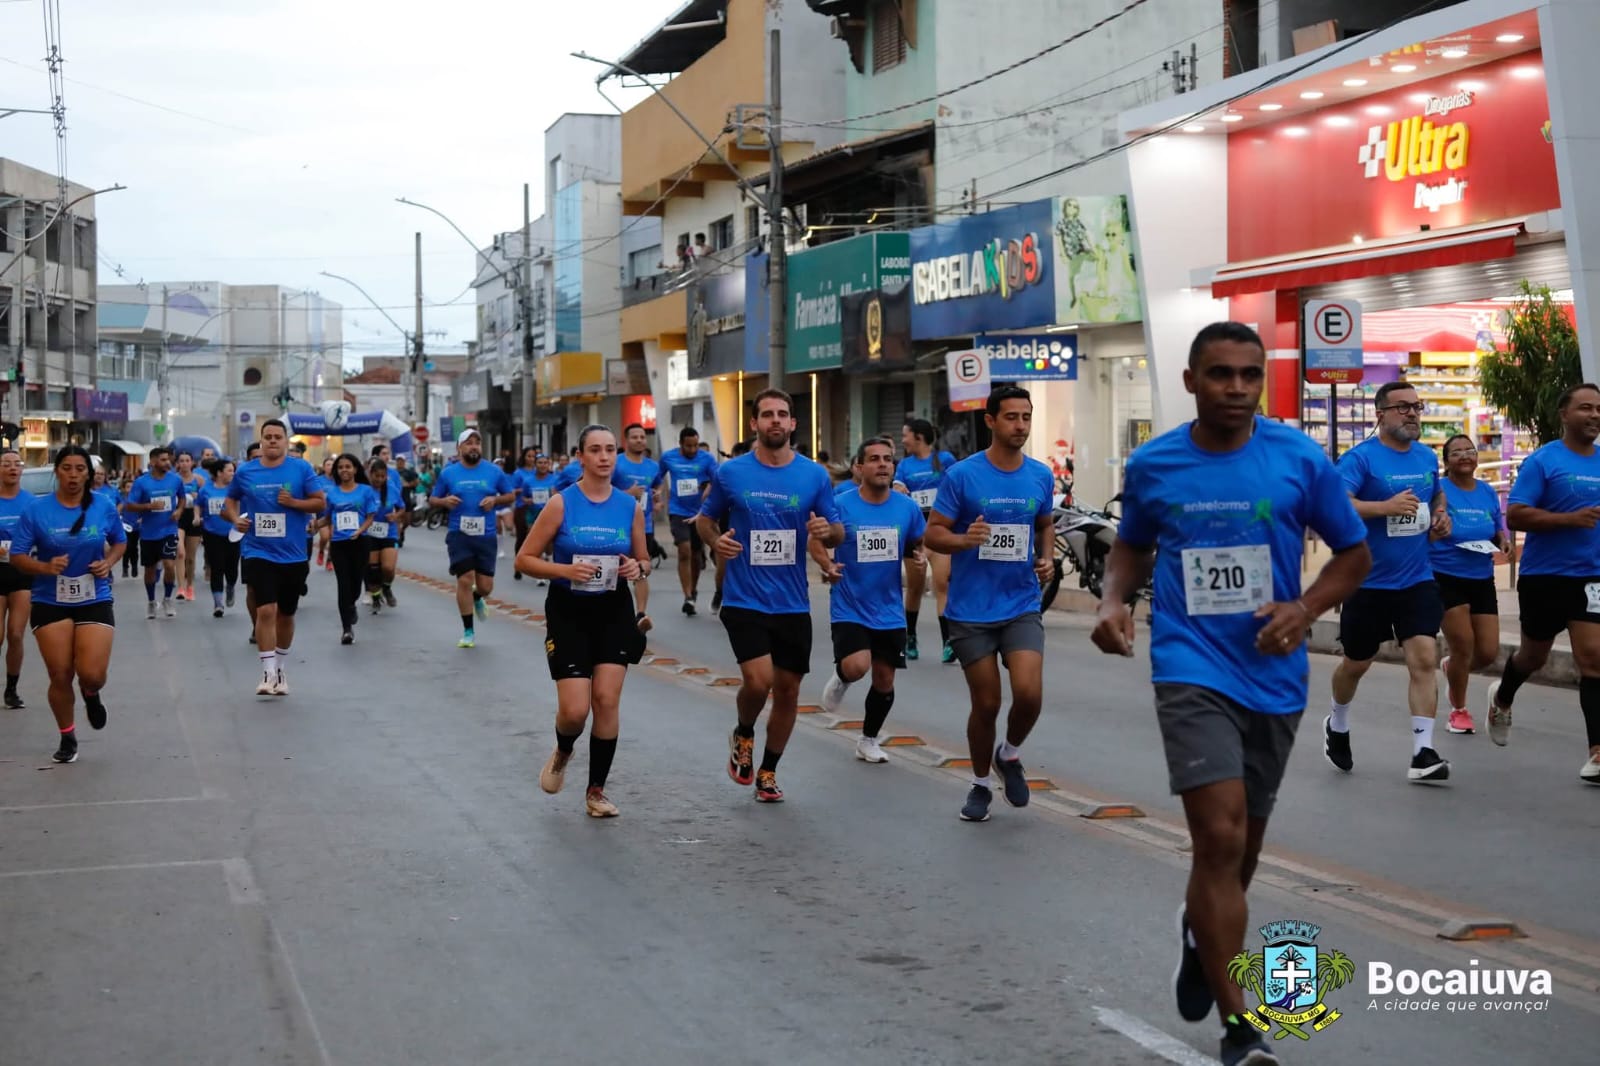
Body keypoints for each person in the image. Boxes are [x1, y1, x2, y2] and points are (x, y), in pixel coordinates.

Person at [1091, 322, 1370, 1066]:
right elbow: (1132, 544)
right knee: (1218, 838)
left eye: (1250, 374)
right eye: (1220, 374)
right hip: (1190, 665)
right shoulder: (1155, 463)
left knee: (1240, 851)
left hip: (1274, 672)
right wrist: (1113, 600)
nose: (1238, 388)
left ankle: (1200, 931)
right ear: (1191, 381)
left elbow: (1354, 553)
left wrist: (1305, 609)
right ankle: (1239, 1025)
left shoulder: (1298, 458)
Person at [697, 389, 843, 803]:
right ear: (754, 424)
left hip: (792, 602)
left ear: (793, 423)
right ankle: (744, 731)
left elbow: (837, 531)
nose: (775, 420)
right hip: (744, 598)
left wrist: (827, 533)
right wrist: (716, 541)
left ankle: (768, 771)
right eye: (767, 414)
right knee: (759, 681)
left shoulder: (814, 475)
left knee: (789, 690)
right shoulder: (731, 472)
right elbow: (705, 520)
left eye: (782, 414)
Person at [924, 386, 1055, 823]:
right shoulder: (962, 475)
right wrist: (965, 540)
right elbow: (933, 533)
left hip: (1021, 602)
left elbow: (1045, 523)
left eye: (1026, 417)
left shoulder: (1040, 475)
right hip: (971, 610)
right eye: (1012, 417)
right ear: (991, 421)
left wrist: (1047, 558)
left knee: (1030, 694)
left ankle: (1009, 754)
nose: (1020, 425)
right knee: (986, 704)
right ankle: (980, 783)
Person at [518, 424, 648, 817]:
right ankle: (563, 749)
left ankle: (596, 791)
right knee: (575, 711)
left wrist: (636, 568)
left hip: (613, 609)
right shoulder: (561, 503)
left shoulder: (629, 506)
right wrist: (565, 571)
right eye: (595, 450)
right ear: (581, 457)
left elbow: (643, 561)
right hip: (569, 611)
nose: (604, 457)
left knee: (606, 700)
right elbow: (524, 560)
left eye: (610, 449)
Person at [1325, 380, 1452, 782]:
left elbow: (1436, 495)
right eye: (1403, 407)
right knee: (1356, 663)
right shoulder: (1360, 459)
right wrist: (1385, 507)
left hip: (1416, 578)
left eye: (1417, 406)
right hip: (1366, 581)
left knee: (1424, 658)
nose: (1413, 413)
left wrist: (1440, 516)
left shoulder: (1426, 456)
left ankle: (1422, 753)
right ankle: (1337, 722)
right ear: (1380, 414)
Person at [1490, 383, 1600, 782]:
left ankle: (1597, 753)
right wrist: (1570, 519)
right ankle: (1502, 697)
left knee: (1594, 658)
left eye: (1598, 409)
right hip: (1544, 576)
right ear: (1564, 414)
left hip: (1591, 576)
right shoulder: (1543, 461)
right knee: (1533, 656)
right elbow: (1516, 515)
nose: (1594, 415)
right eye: (1585, 408)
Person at [9, 446, 126, 764]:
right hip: (50, 598)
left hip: (94, 595)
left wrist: (108, 562)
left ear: (88, 474)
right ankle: (67, 736)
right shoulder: (37, 510)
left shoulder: (103, 505)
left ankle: (91, 692)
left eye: (79, 469)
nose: (73, 475)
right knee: (60, 673)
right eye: (66, 468)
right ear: (57, 471)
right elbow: (17, 555)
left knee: (92, 674)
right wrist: (44, 567)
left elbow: (120, 541)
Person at [815, 437, 926, 764]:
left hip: (889, 608)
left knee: (885, 679)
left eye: (888, 459)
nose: (882, 464)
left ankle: (868, 740)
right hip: (850, 603)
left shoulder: (906, 507)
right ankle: (842, 677)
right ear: (859, 467)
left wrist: (919, 557)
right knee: (857, 666)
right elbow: (815, 540)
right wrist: (826, 564)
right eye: (875, 459)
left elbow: (915, 543)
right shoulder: (840, 504)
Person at [224, 419, 325, 696]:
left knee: (286, 614)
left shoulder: (301, 468)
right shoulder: (246, 471)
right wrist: (235, 519)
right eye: (267, 436)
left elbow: (320, 502)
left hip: (293, 553)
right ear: (261, 440)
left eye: (277, 437)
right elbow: (229, 502)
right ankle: (268, 673)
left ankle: (280, 668)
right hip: (257, 550)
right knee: (265, 610)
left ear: (285, 441)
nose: (272, 441)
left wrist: (294, 503)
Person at [1431, 433, 1509, 735]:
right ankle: (1459, 710)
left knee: (1487, 652)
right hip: (1445, 574)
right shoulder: (1439, 491)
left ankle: (1453, 668)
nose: (1464, 455)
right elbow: (1427, 526)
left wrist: (1503, 541)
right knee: (1463, 644)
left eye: (1469, 450)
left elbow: (1496, 528)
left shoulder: (1487, 491)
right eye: (1456, 452)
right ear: (1446, 462)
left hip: (1481, 576)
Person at [428, 428, 515, 649]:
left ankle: (478, 597)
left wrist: (495, 501)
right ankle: (468, 631)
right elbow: (433, 499)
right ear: (460, 448)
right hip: (459, 535)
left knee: (485, 587)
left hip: (486, 535)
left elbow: (510, 495)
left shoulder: (493, 471)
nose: (474, 446)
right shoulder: (449, 473)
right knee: (465, 579)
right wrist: (444, 501)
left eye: (477, 442)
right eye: (469, 443)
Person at [895, 418, 958, 663]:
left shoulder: (945, 460)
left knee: (942, 584)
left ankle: (948, 642)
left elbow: (957, 486)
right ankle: (910, 637)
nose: (903, 440)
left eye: (906, 435)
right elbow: (898, 487)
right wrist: (899, 490)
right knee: (915, 587)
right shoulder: (904, 465)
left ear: (918, 437)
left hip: (939, 533)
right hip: (915, 536)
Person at [656, 426, 718, 615]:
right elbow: (657, 477)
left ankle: (693, 589)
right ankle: (688, 596)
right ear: (681, 444)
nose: (692, 449)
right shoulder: (669, 457)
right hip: (678, 511)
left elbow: (718, 480)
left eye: (695, 445)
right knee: (684, 550)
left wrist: (708, 488)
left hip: (700, 512)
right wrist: (657, 492)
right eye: (688, 446)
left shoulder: (707, 459)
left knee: (697, 555)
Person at [319, 454, 377, 644]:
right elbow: (327, 518)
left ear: (355, 469)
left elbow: (370, 516)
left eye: (348, 466)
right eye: (340, 467)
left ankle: (351, 605)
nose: (344, 470)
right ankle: (346, 629)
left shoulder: (366, 491)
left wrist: (360, 530)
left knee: (356, 584)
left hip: (360, 542)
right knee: (343, 585)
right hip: (339, 544)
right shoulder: (332, 493)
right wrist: (314, 526)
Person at [124, 446, 185, 620]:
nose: (167, 463)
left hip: (169, 529)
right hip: (149, 533)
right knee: (150, 570)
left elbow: (182, 498)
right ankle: (151, 601)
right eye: (163, 460)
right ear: (152, 462)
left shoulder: (175, 479)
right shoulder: (141, 482)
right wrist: (148, 506)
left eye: (168, 460)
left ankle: (167, 598)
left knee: (169, 565)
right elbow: (130, 505)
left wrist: (179, 510)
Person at [611, 423, 662, 631]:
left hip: (644, 524)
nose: (640, 440)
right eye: (635, 437)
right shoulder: (616, 463)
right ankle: (614, 613)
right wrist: (627, 493)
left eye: (642, 437)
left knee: (640, 568)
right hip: (617, 524)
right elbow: (602, 488)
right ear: (626, 440)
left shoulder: (653, 466)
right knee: (617, 570)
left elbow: (657, 484)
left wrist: (657, 497)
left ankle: (640, 614)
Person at [0, 450, 33, 708]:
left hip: (22, 573)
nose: (12, 468)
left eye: (17, 464)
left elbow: (42, 534)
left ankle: (11, 689)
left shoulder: (31, 503)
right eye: (6, 464)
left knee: (16, 634)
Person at [197, 459, 241, 618]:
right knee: (216, 567)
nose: (232, 473)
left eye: (233, 470)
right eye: (229, 470)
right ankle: (218, 603)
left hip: (233, 533)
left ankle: (230, 586)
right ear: (219, 473)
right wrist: (197, 517)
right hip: (212, 533)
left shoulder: (235, 489)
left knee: (232, 567)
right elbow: (198, 504)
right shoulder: (206, 489)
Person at [365, 458, 404, 612]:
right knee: (373, 569)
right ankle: (375, 596)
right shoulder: (364, 490)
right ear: (370, 474)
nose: (379, 479)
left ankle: (386, 587)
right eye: (377, 476)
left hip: (389, 532)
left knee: (388, 567)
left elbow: (402, 508)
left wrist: (395, 516)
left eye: (383, 476)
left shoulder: (392, 489)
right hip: (369, 533)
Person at [515, 452, 559, 586]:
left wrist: (555, 495)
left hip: (549, 513)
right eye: (540, 463)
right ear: (535, 465)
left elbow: (561, 495)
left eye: (545, 463)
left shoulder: (555, 479)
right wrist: (527, 500)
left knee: (549, 543)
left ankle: (548, 558)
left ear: (549, 464)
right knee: (535, 540)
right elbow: (523, 497)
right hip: (533, 513)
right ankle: (540, 575)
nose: (543, 465)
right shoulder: (528, 481)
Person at [175, 451, 207, 600]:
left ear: (192, 463)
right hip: (179, 516)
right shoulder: (174, 480)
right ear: (177, 464)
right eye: (181, 461)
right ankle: (180, 587)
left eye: (187, 460)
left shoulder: (199, 480)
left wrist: (198, 498)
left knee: (190, 557)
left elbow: (206, 499)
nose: (184, 464)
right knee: (180, 552)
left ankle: (190, 586)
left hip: (194, 517)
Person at [315, 456, 337, 570]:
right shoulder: (318, 480)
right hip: (322, 513)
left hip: (335, 513)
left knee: (333, 537)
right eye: (328, 465)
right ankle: (321, 551)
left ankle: (329, 559)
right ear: (324, 467)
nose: (330, 467)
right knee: (325, 537)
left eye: (332, 465)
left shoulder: (338, 481)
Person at [395, 454, 420, 547]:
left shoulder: (408, 473)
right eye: (398, 460)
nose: (400, 462)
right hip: (396, 499)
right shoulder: (393, 473)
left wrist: (408, 484)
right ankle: (397, 537)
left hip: (406, 498)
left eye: (401, 460)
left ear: (404, 461)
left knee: (407, 521)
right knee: (398, 519)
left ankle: (401, 531)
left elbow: (417, 482)